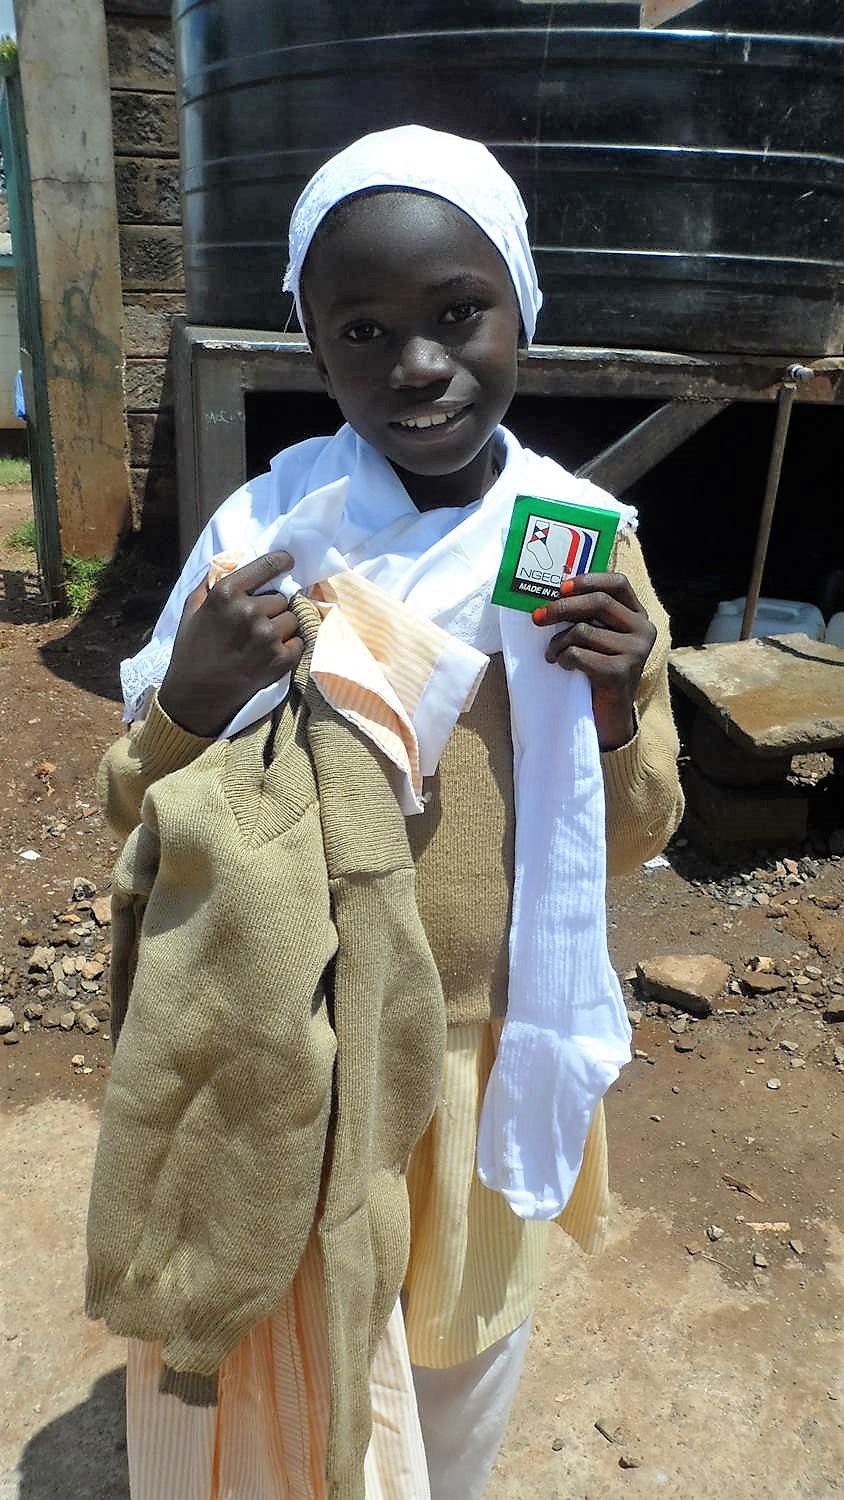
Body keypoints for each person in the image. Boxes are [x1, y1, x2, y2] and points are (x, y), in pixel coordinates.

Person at [87, 125, 683, 1500]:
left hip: (480, 1048)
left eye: (458, 314)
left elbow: (633, 835)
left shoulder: (581, 549)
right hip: (291, 1045)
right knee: (295, 1364)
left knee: (454, 1368)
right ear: (312, 344)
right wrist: (191, 700)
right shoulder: (265, 546)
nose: (417, 364)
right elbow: (139, 811)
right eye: (363, 329)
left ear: (523, 308)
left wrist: (615, 705)